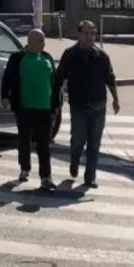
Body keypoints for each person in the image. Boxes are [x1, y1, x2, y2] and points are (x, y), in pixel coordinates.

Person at [53, 20, 120, 188]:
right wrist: (55, 100)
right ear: (79, 34)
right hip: (79, 106)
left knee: (94, 142)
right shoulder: (70, 54)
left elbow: (110, 78)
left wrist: (116, 99)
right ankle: (74, 161)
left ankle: (90, 176)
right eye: (87, 33)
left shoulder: (102, 56)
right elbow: (59, 77)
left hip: (99, 104)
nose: (90, 37)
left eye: (93, 33)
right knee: (78, 140)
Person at [0, 29, 57, 191]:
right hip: (25, 108)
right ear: (31, 41)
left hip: (45, 109)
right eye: (40, 40)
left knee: (44, 145)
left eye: (44, 40)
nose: (44, 44)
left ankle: (46, 177)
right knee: (24, 142)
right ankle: (24, 167)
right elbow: (8, 78)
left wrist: (56, 104)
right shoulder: (18, 58)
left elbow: (55, 82)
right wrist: (5, 96)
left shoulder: (47, 58)